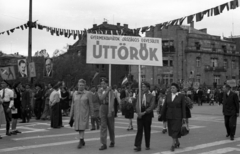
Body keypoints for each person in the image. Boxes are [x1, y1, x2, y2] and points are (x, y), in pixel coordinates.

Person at [161, 83, 186, 152]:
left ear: (177, 89)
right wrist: (161, 114)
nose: (172, 89)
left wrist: (184, 117)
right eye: (171, 88)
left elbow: (183, 107)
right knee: (172, 130)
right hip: (169, 115)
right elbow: (165, 106)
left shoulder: (181, 96)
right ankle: (177, 142)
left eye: (174, 88)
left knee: (175, 129)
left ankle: (173, 145)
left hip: (178, 116)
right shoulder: (168, 95)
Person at [69, 79, 94, 149]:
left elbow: (91, 104)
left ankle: (80, 140)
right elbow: (72, 105)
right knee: (78, 128)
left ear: (85, 86)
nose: (81, 86)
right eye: (80, 85)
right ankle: (82, 140)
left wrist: (92, 114)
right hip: (77, 113)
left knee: (81, 127)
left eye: (83, 85)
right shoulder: (74, 94)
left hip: (84, 113)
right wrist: (71, 115)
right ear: (78, 85)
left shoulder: (88, 93)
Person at [134, 81, 155, 152]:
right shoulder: (139, 94)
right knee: (139, 130)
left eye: (144, 87)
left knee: (147, 130)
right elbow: (137, 104)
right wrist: (138, 112)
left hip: (147, 114)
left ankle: (147, 145)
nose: (143, 88)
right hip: (140, 112)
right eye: (142, 87)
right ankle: (138, 145)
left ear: (148, 88)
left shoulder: (151, 96)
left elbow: (152, 106)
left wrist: (145, 112)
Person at [98, 78, 116, 150]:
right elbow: (101, 98)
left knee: (111, 126)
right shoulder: (100, 90)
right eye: (102, 83)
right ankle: (103, 143)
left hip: (109, 107)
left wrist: (110, 111)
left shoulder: (111, 91)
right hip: (103, 107)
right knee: (103, 126)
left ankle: (112, 140)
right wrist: (106, 91)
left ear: (107, 84)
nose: (103, 85)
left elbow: (112, 101)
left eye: (104, 83)